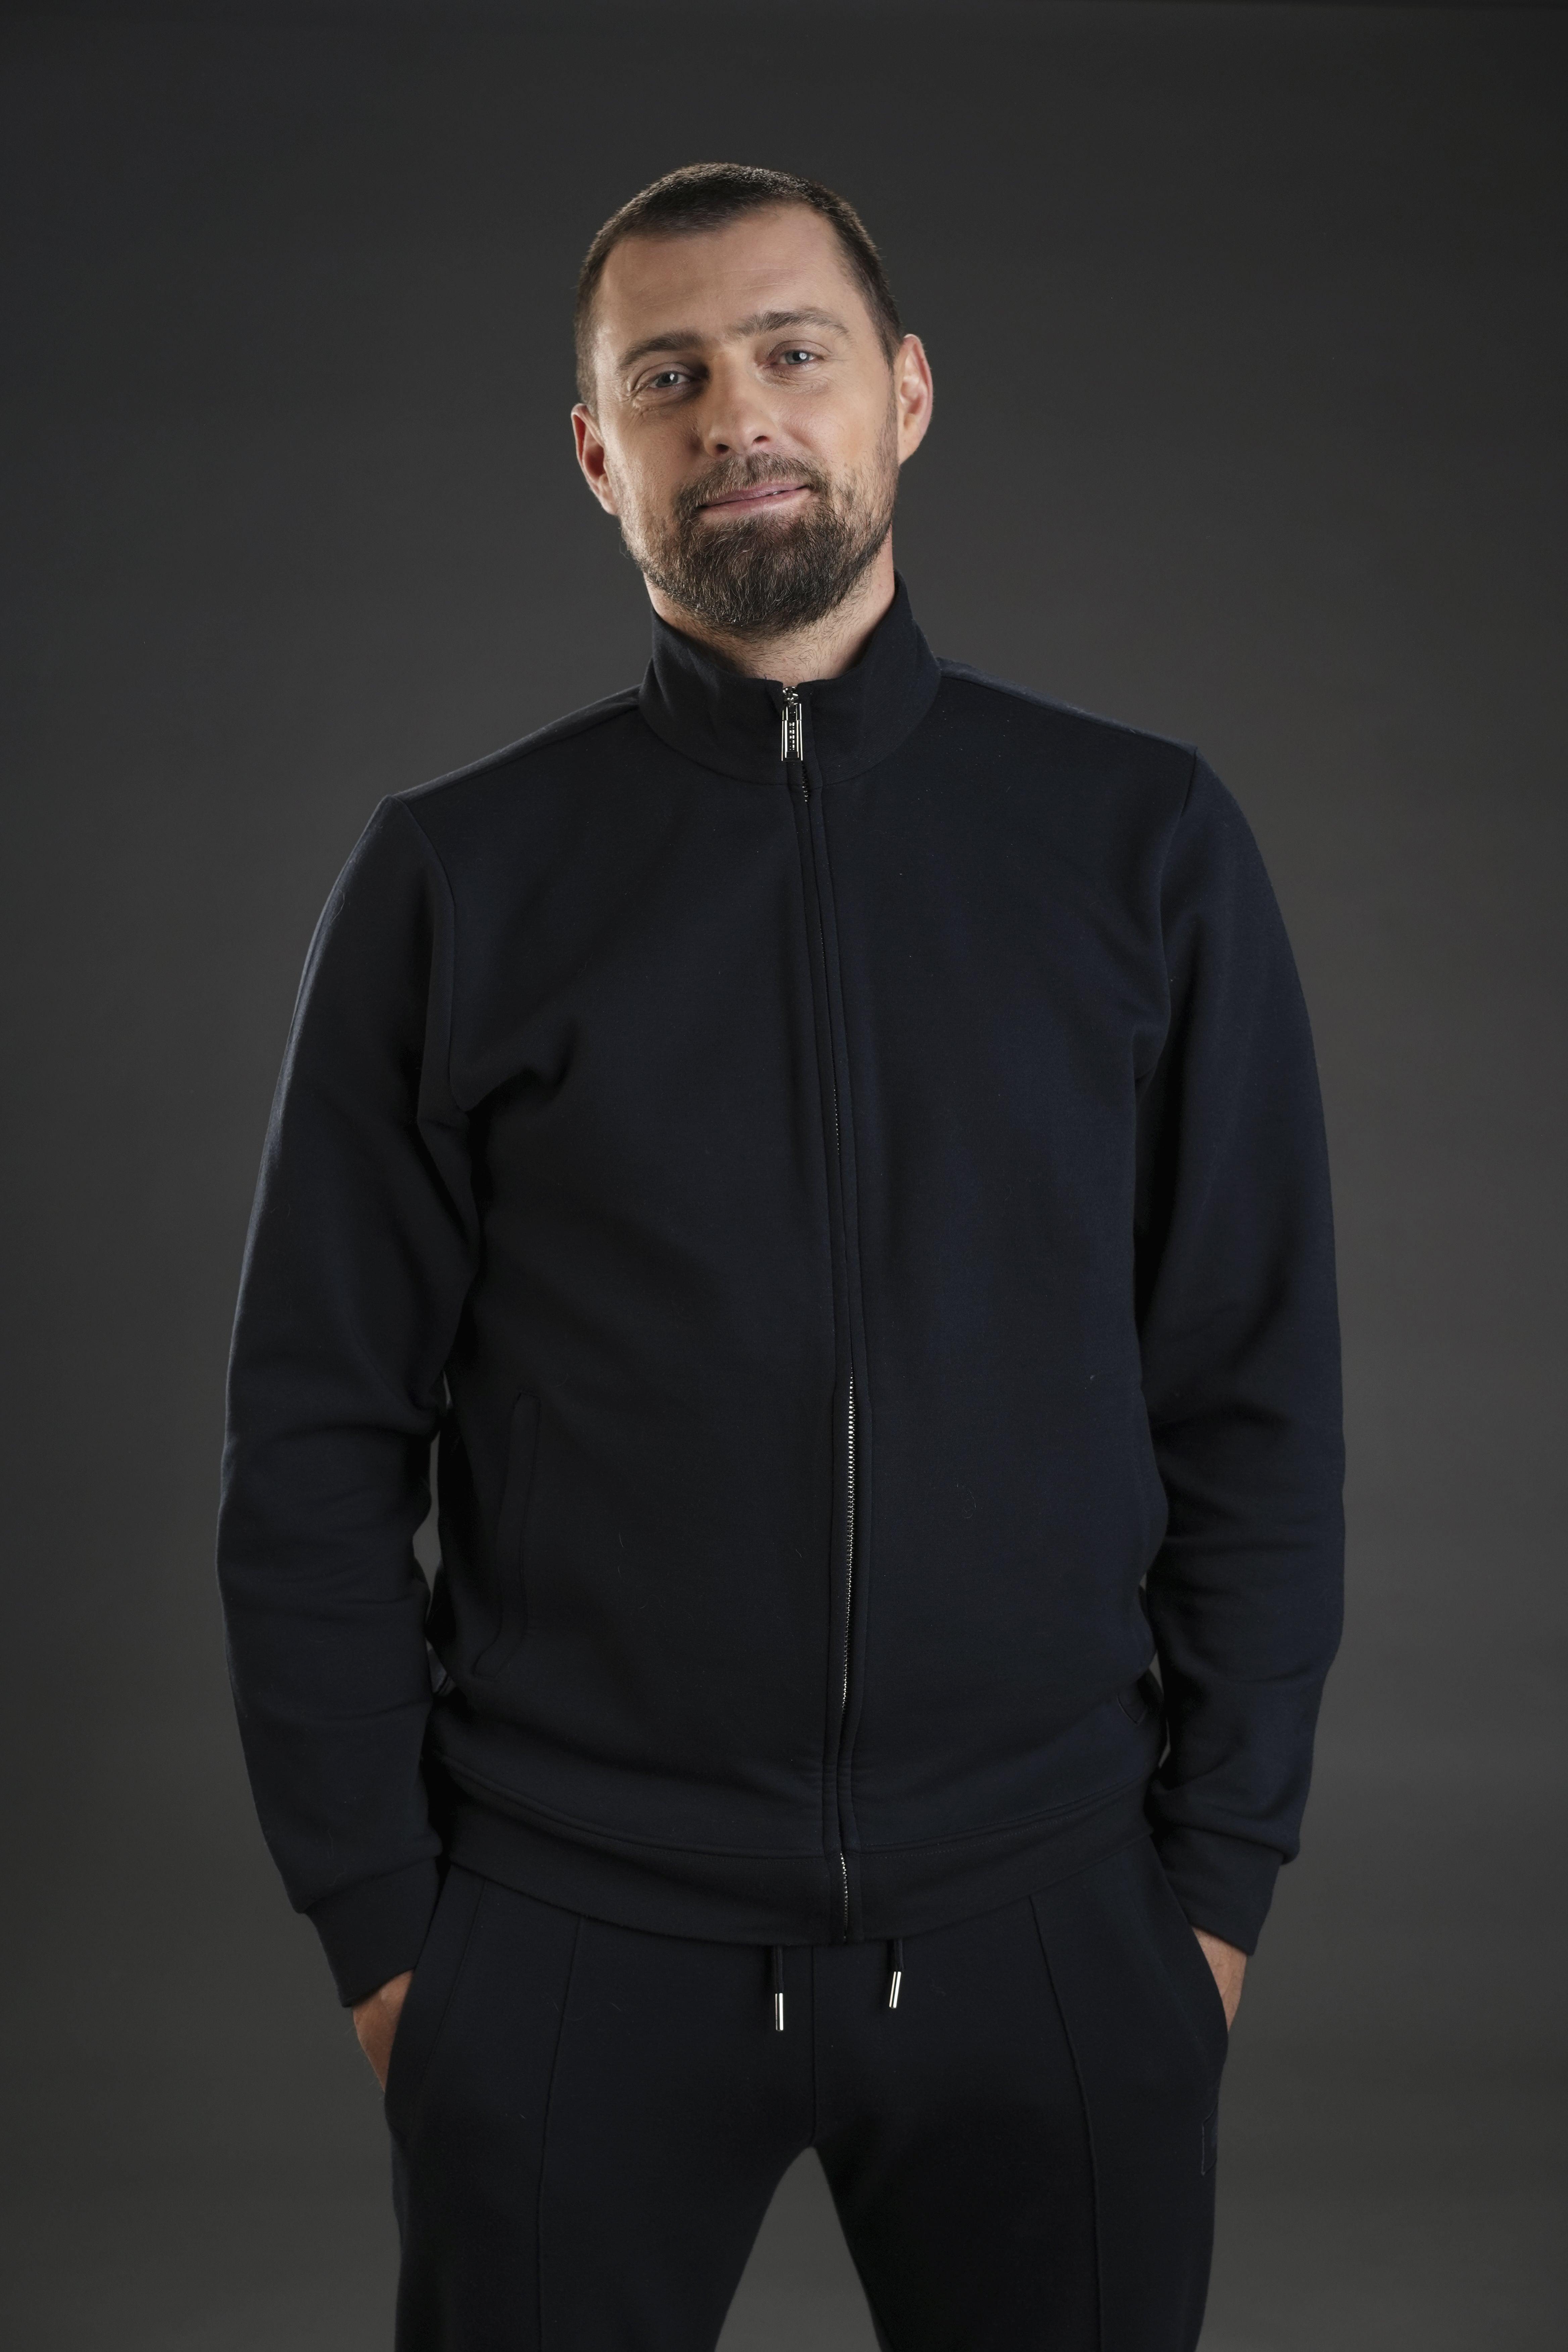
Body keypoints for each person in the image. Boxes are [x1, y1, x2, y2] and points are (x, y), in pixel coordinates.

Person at [217, 163, 1343, 2351]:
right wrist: (390, 1938)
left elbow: (1256, 1397)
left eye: (792, 352)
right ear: (598, 454)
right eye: (671, 376)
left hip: (1051, 1923)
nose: (738, 410)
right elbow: (312, 1437)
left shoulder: (1145, 846)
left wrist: (1210, 1893)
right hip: (573, 1930)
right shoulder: (457, 880)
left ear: (903, 394)